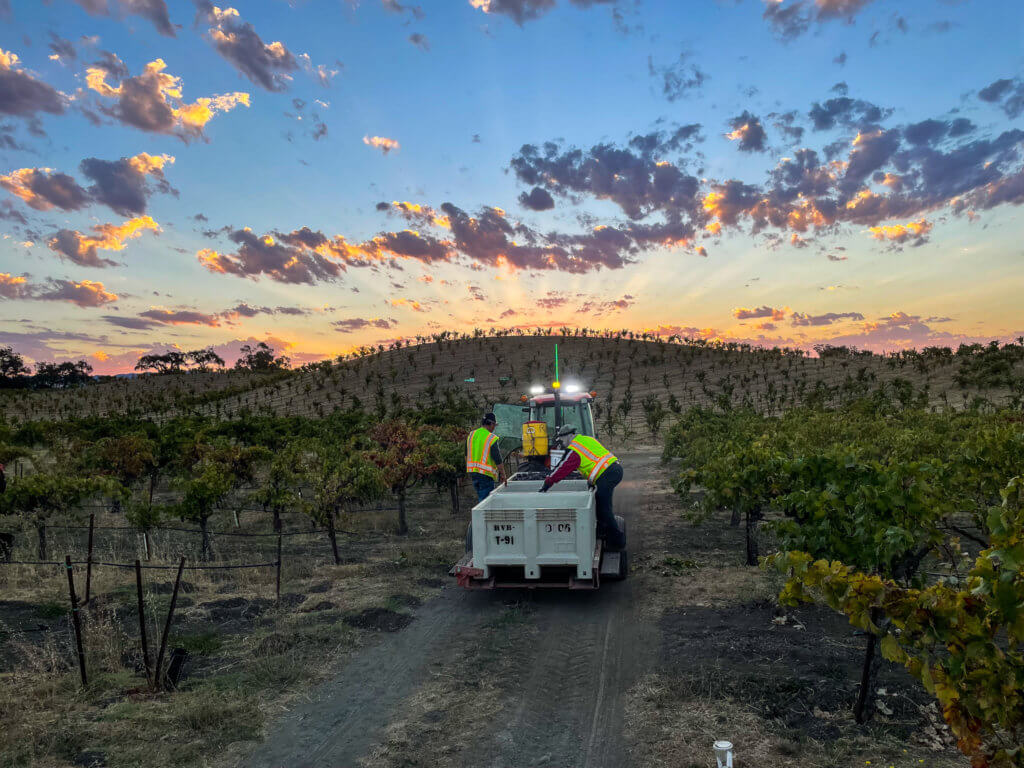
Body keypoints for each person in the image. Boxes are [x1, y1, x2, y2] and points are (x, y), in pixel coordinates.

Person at [540, 427, 625, 550]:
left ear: (568, 435)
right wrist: (591, 481)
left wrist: (547, 483)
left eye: (562, 440)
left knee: (604, 508)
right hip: (614, 469)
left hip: (607, 474)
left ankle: (618, 541)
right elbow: (593, 460)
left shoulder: (574, 449)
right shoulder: (586, 439)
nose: (561, 443)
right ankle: (602, 531)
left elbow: (561, 469)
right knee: (600, 502)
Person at [466, 412, 505, 503]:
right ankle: (481, 517)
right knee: (485, 502)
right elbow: (497, 458)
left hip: (473, 473)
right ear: (491, 424)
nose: (494, 428)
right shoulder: (491, 437)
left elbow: (466, 454)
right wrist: (503, 474)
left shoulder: (472, 435)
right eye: (494, 425)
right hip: (485, 475)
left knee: (481, 497)